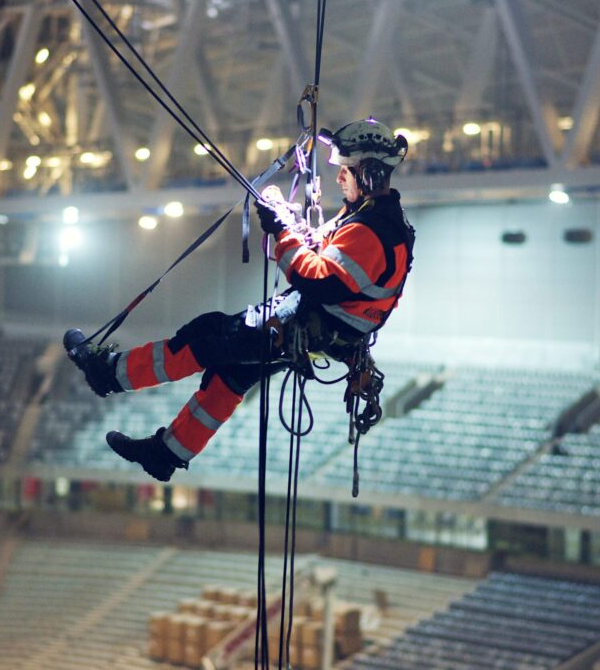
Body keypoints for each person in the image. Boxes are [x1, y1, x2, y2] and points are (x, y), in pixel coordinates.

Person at [64, 118, 415, 482]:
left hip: (313, 325)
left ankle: (108, 374)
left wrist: (281, 230)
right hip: (326, 331)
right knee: (232, 373)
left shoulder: (369, 229)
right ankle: (167, 453)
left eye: (346, 169)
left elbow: (318, 279)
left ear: (369, 173)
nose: (339, 177)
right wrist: (290, 225)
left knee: (206, 335)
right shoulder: (374, 217)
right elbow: (327, 256)